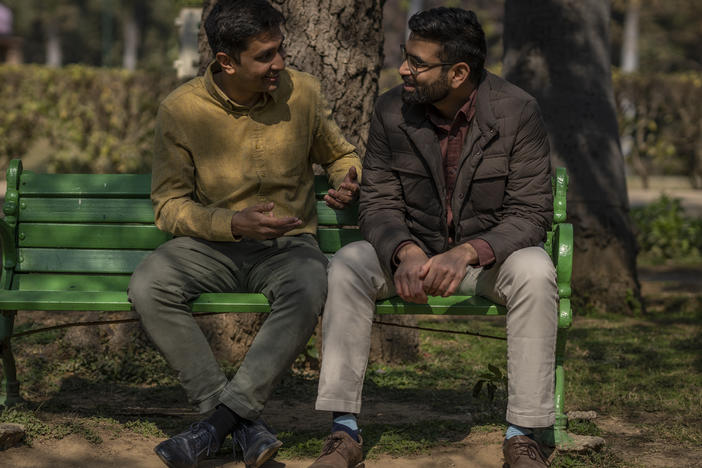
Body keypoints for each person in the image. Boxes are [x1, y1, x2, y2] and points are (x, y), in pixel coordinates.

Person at [310, 7, 557, 468]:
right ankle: (343, 431)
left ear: (459, 72)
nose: (404, 68)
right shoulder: (391, 109)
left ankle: (524, 435)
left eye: (418, 63)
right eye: (406, 57)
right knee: (347, 264)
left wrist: (466, 253)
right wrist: (404, 251)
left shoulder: (517, 111)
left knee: (536, 271)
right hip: (412, 257)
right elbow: (379, 200)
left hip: (487, 262)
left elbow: (530, 213)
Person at [127, 1, 361, 467]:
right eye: (265, 56)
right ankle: (238, 422)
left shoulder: (304, 94)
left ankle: (215, 428)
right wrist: (231, 223)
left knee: (312, 282)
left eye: (280, 51)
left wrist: (347, 177)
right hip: (211, 247)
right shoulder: (181, 109)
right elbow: (169, 205)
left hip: (287, 249)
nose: (279, 64)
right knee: (149, 284)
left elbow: (340, 155)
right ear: (226, 61)